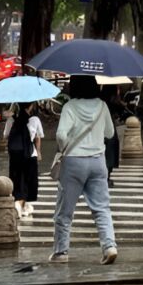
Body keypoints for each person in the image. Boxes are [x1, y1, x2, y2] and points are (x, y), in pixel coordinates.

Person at [51, 75, 118, 264]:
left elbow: (61, 135)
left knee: (65, 210)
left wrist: (66, 145)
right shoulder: (102, 106)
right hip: (98, 161)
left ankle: (61, 252)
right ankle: (109, 246)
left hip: (74, 162)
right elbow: (110, 133)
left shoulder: (70, 107)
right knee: (101, 207)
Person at [5, 102, 44, 219]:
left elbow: (6, 136)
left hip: (15, 155)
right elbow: (38, 137)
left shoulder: (11, 120)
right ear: (30, 106)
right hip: (30, 154)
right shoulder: (35, 119)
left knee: (17, 180)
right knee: (28, 181)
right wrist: (39, 152)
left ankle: (20, 203)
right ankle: (20, 205)